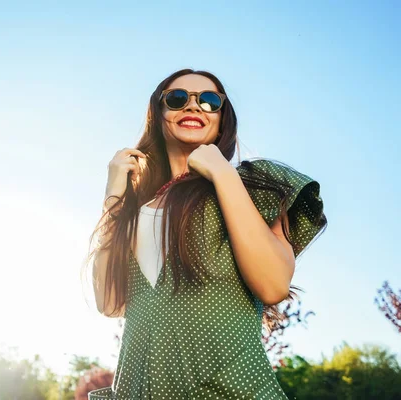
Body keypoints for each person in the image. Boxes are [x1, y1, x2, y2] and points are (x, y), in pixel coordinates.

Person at [86, 69, 328, 399]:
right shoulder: (133, 206)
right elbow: (110, 302)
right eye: (177, 98)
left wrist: (221, 172)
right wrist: (114, 195)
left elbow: (273, 285)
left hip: (230, 390)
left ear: (222, 117)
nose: (194, 106)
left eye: (209, 101)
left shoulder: (257, 184)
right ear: (158, 114)